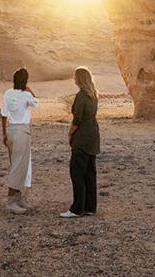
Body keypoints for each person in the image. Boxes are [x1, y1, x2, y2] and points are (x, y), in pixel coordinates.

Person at [61, 66, 100, 218]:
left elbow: (77, 120)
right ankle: (90, 207)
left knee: (77, 173)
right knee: (90, 174)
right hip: (93, 136)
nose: (74, 79)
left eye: (75, 77)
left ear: (79, 79)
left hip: (82, 137)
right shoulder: (93, 95)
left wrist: (70, 134)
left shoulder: (81, 96)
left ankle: (77, 209)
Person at [0, 68, 40, 213]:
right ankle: (11, 202)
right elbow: (36, 103)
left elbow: (4, 114)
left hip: (10, 130)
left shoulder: (8, 93)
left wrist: (4, 134)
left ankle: (17, 199)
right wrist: (29, 90)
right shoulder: (26, 94)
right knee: (19, 166)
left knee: (15, 164)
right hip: (22, 131)